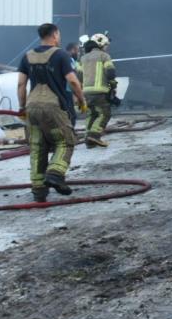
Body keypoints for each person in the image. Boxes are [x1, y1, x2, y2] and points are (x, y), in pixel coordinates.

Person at [17, 23, 86, 202]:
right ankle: (55, 174)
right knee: (66, 141)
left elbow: (21, 84)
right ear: (55, 34)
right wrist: (81, 100)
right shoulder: (60, 54)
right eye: (59, 34)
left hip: (32, 106)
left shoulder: (27, 56)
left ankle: (39, 190)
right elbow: (73, 81)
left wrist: (22, 107)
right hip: (52, 107)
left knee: (38, 146)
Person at [80, 33, 117, 148]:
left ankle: (88, 140)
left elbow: (78, 76)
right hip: (100, 91)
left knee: (91, 114)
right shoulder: (104, 56)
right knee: (104, 113)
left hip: (86, 92)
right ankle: (95, 136)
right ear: (101, 44)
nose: (107, 47)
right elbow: (110, 73)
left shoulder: (83, 58)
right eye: (106, 45)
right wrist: (113, 86)